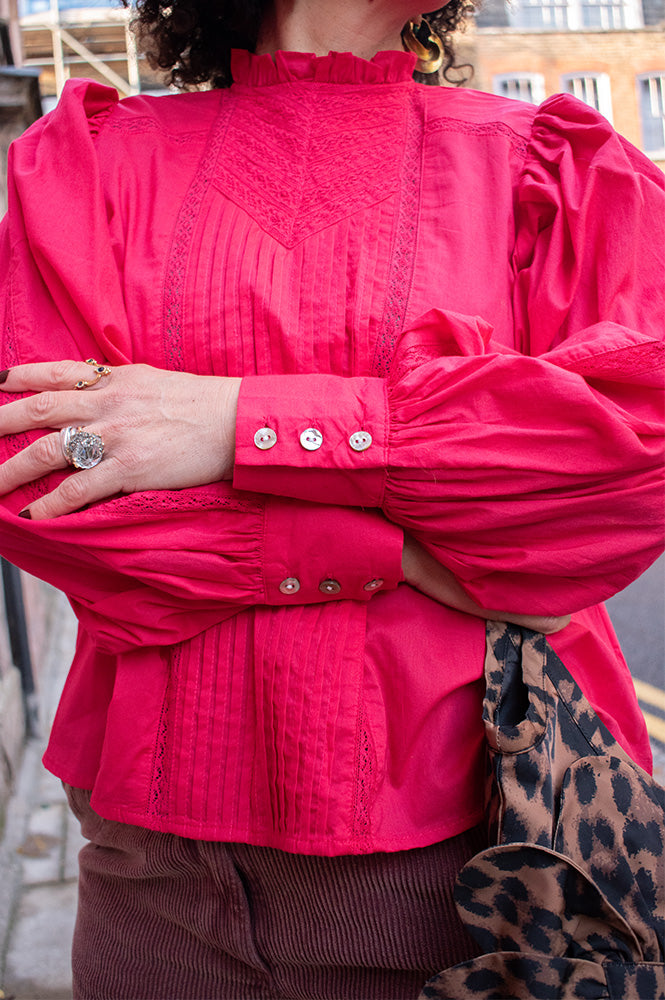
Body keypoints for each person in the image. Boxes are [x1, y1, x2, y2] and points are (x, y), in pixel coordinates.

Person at [0, 1, 663, 997]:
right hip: (150, 887)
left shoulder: (549, 169)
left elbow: (624, 459)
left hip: (479, 868)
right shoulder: (92, 169)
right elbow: (39, 482)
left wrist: (237, 424)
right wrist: (398, 553)